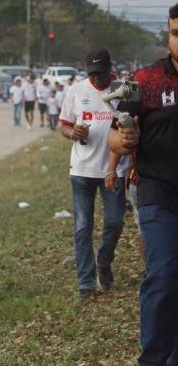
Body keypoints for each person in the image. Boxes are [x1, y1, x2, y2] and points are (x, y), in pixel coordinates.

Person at [110, 3, 178, 366]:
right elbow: (117, 139)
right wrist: (124, 141)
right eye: (174, 31)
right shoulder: (147, 80)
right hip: (156, 191)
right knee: (166, 274)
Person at [60, 48, 127, 301]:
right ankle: (86, 284)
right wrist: (73, 133)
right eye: (92, 74)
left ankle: (104, 260)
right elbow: (64, 126)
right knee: (82, 227)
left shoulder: (121, 90)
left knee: (115, 222)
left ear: (110, 69)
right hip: (81, 170)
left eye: (101, 73)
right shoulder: (76, 91)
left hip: (114, 169)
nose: (96, 79)